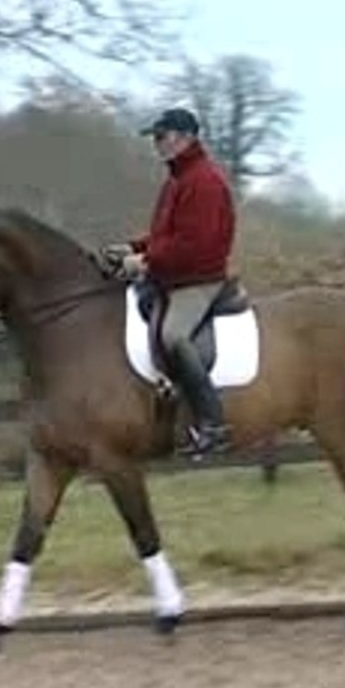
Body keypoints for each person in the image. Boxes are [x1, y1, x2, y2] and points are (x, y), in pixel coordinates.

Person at [105, 107, 237, 457]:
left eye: (161, 137)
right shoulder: (178, 179)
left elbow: (194, 245)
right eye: (156, 138)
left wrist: (145, 261)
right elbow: (168, 236)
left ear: (185, 138)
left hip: (198, 280)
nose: (157, 144)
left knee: (173, 334)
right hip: (172, 277)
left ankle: (214, 424)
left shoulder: (204, 182)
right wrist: (133, 248)